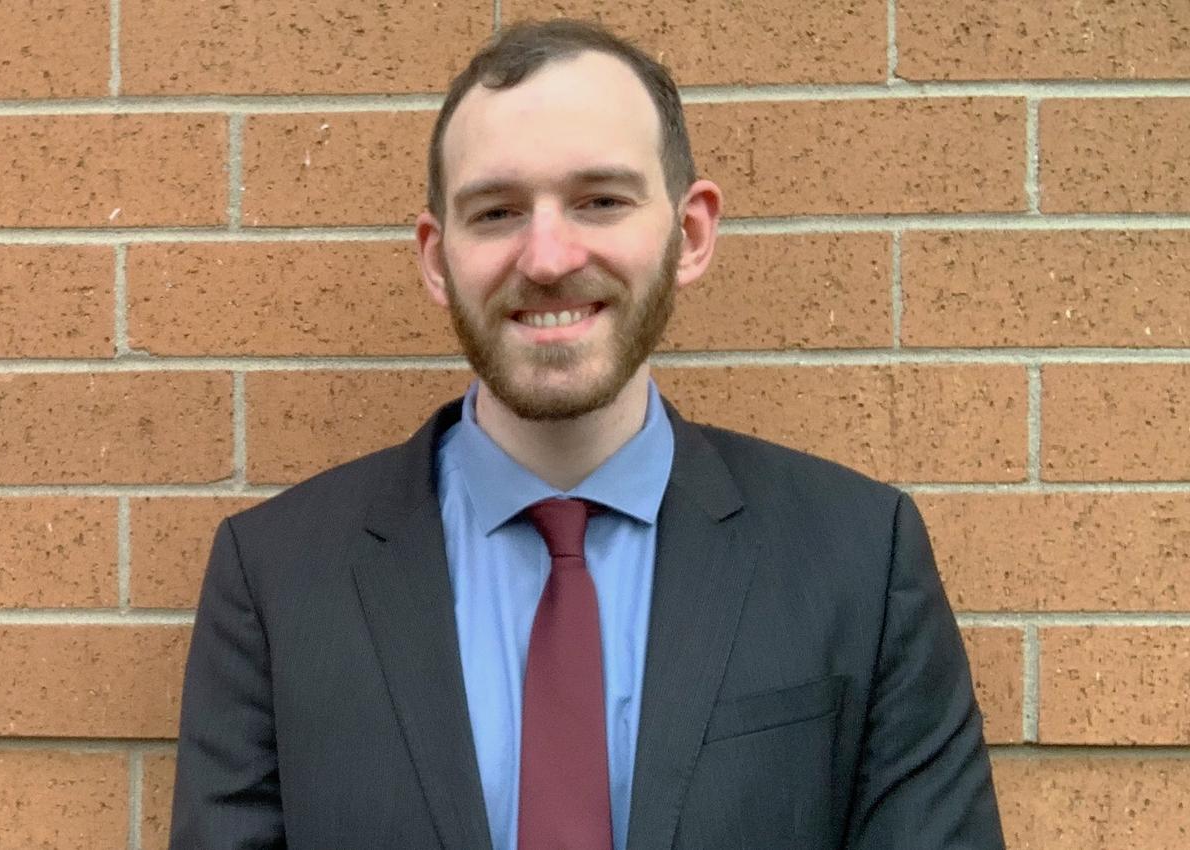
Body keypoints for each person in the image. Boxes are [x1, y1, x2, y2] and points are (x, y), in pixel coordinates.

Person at [170, 19, 1003, 850]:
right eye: (496, 211)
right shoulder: (276, 580)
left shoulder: (858, 556)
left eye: (600, 200)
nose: (546, 256)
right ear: (435, 256)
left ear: (693, 233)